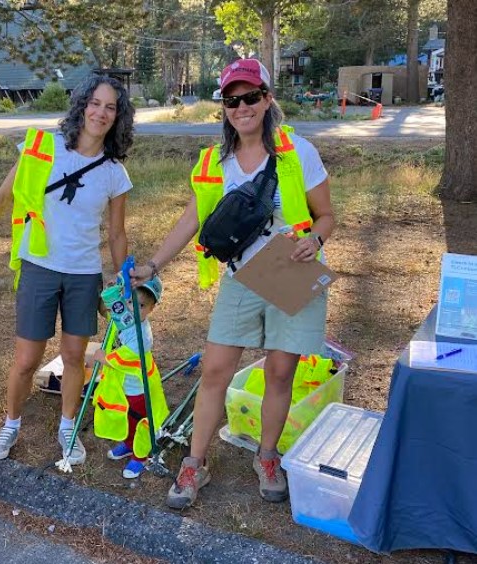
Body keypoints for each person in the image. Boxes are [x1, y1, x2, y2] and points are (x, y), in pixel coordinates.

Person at [131, 58, 334, 507]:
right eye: (231, 100)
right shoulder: (215, 161)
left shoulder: (297, 151)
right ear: (223, 107)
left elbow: (326, 215)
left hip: (291, 271)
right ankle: (194, 463)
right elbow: (191, 219)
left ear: (267, 99)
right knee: (215, 371)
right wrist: (154, 264)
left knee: (280, 372)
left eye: (250, 97)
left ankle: (267, 456)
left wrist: (315, 239)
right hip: (241, 276)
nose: (241, 107)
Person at [0, 75, 135, 465]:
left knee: (73, 357)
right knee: (26, 360)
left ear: (118, 117)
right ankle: (10, 424)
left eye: (111, 107)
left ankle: (67, 427)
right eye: (95, 103)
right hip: (40, 267)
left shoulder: (114, 172)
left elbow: (117, 234)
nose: (101, 113)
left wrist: (124, 281)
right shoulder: (42, 147)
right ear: (82, 105)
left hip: (84, 274)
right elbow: (2, 196)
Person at [91, 276, 168, 479]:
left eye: (141, 305)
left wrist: (104, 358)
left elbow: (127, 357)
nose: (133, 309)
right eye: (130, 302)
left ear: (151, 308)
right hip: (123, 386)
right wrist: (110, 293)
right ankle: (128, 442)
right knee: (125, 417)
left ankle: (141, 455)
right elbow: (108, 310)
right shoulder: (124, 319)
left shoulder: (143, 336)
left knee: (139, 421)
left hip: (138, 389)